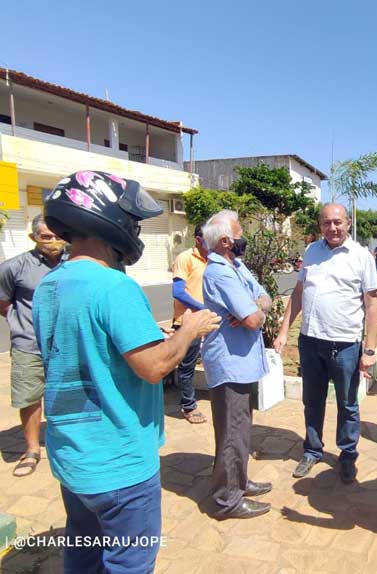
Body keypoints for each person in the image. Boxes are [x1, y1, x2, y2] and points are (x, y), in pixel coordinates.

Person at [34, 171, 221, 572]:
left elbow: (83, 344)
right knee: (129, 562)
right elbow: (154, 367)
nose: (134, 231)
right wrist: (189, 330)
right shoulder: (115, 287)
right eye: (133, 222)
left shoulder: (50, 285)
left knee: (83, 553)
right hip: (119, 462)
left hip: (73, 457)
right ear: (108, 219)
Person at [274, 204, 377, 484]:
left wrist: (369, 349)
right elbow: (298, 293)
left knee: (347, 404)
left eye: (337, 222)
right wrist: (284, 330)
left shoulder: (361, 257)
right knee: (312, 400)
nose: (332, 228)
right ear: (319, 225)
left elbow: (372, 306)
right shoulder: (311, 252)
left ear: (348, 223)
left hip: (345, 344)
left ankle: (347, 455)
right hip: (310, 341)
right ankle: (312, 449)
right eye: (326, 223)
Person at [201, 209, 274, 520]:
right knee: (232, 431)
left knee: (240, 428)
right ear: (227, 241)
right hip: (230, 364)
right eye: (241, 233)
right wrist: (252, 313)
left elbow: (264, 300)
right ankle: (228, 500)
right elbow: (255, 319)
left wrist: (253, 310)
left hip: (242, 363)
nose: (245, 238)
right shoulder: (219, 272)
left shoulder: (237, 266)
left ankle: (239, 481)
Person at [0, 214, 64, 477]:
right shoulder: (14, 267)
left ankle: (66, 442)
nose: (53, 241)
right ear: (33, 238)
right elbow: (3, 303)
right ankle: (31, 449)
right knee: (30, 397)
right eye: (46, 236)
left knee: (67, 395)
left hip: (66, 346)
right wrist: (24, 324)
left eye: (57, 236)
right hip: (29, 344)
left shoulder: (74, 264)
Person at [169, 224, 209, 423]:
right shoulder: (185, 258)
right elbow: (178, 292)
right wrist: (200, 307)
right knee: (187, 366)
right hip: (189, 321)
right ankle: (188, 406)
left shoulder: (214, 260)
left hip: (209, 320)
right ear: (197, 238)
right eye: (207, 237)